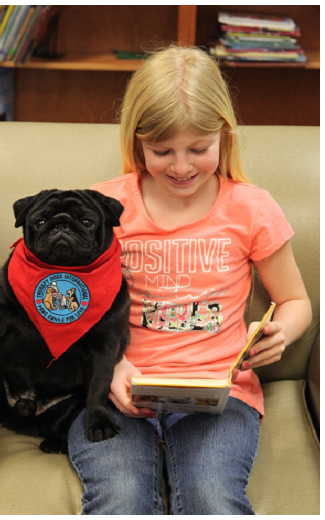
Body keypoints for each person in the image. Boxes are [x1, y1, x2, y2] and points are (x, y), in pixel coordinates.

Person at [69, 47, 312, 514]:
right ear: (136, 141)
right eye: (162, 152)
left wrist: (281, 332)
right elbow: (71, 310)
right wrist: (112, 369)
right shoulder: (102, 207)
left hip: (221, 399)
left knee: (214, 499)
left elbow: (296, 300)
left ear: (225, 135)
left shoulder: (252, 208)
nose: (181, 168)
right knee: (119, 501)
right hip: (117, 393)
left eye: (198, 149)